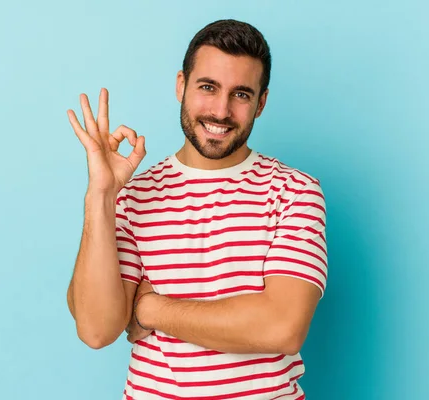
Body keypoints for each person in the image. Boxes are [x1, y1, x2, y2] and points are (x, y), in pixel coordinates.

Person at [66, 19, 327, 400]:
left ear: (261, 102)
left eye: (241, 94)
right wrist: (101, 196)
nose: (221, 111)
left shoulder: (294, 191)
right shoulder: (133, 196)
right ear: (181, 85)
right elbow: (96, 329)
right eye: (208, 87)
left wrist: (151, 309)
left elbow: (281, 328)